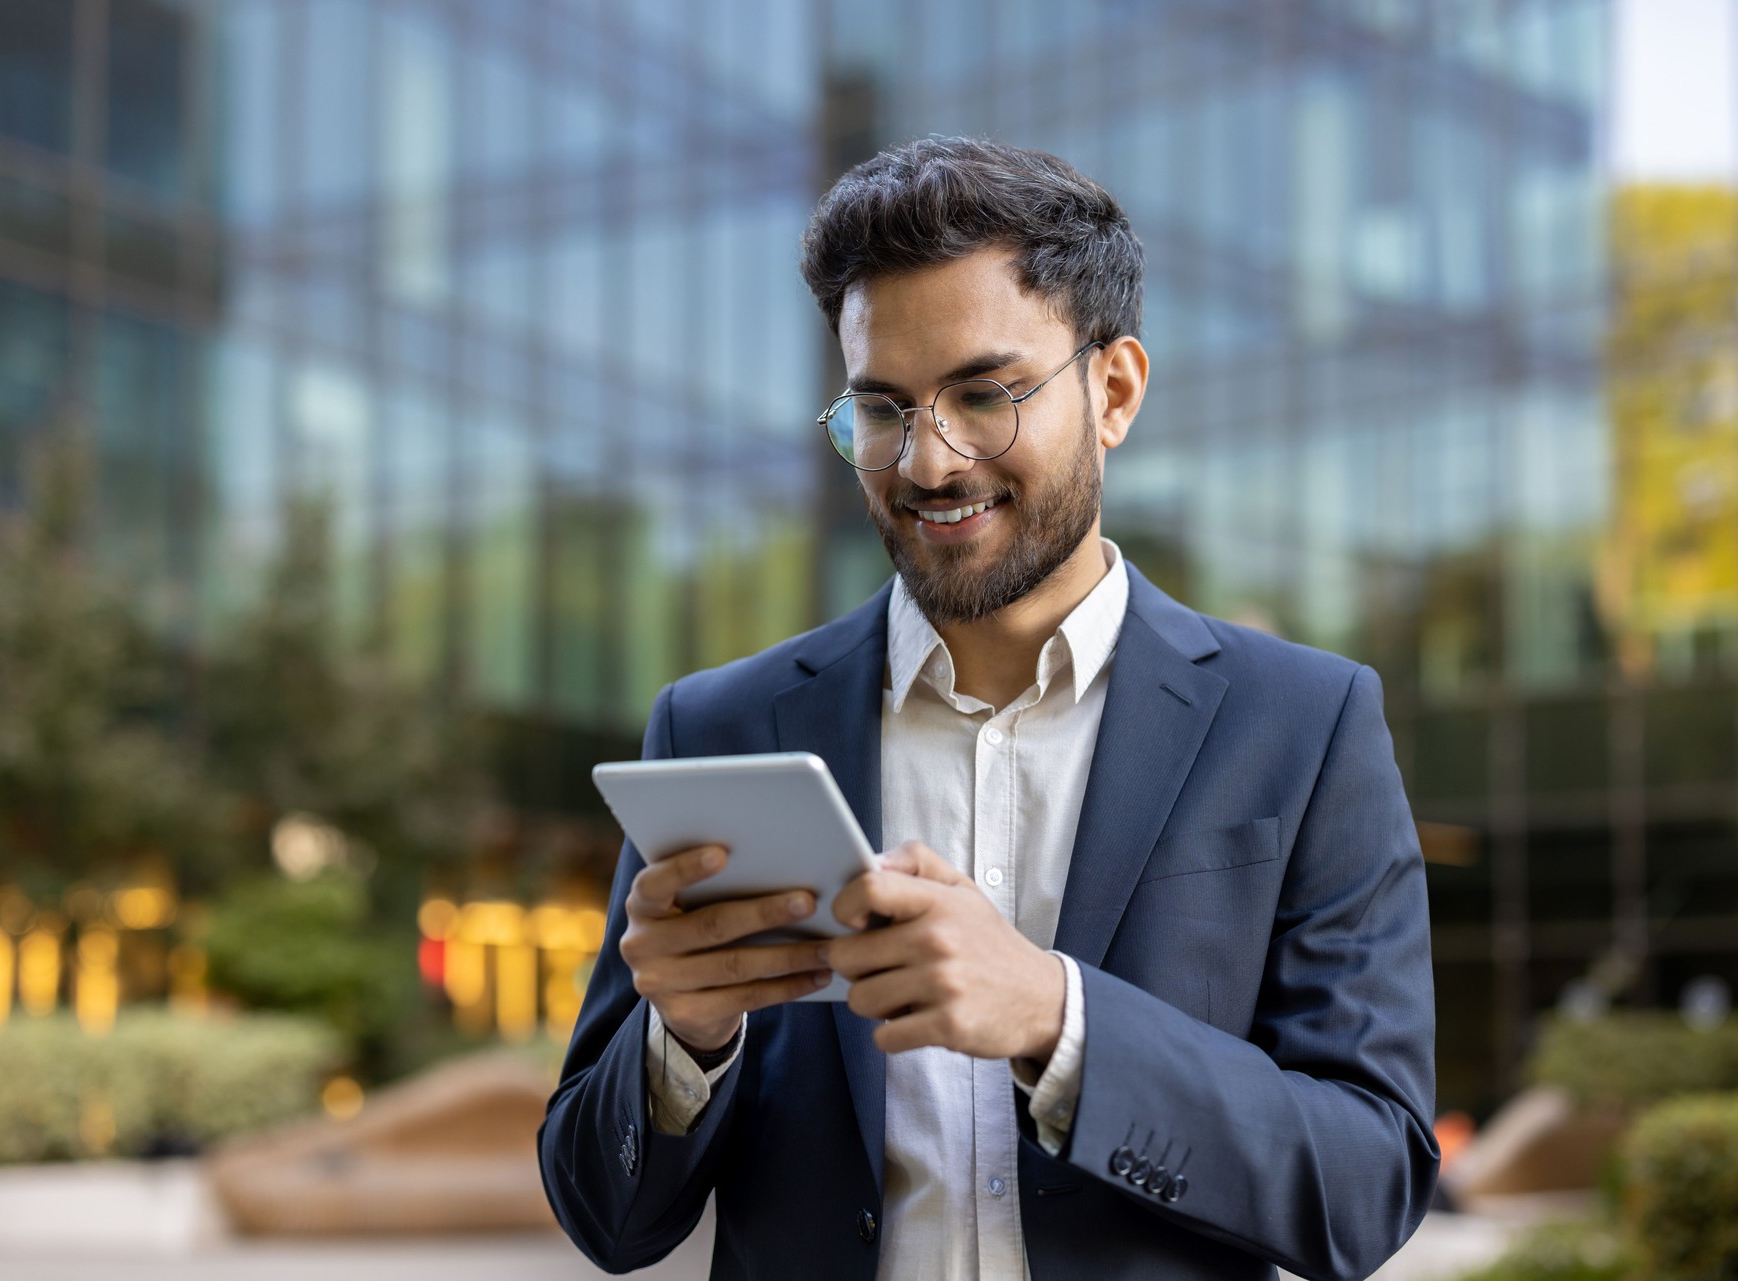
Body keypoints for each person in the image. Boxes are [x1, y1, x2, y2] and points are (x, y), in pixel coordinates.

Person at [538, 137, 1438, 1281]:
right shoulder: (722, 726)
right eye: (883, 410)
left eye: (984, 394)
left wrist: (1061, 1023)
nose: (929, 461)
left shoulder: (1303, 727)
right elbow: (603, 1218)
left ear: (1112, 392)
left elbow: (1371, 1181)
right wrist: (684, 1040)